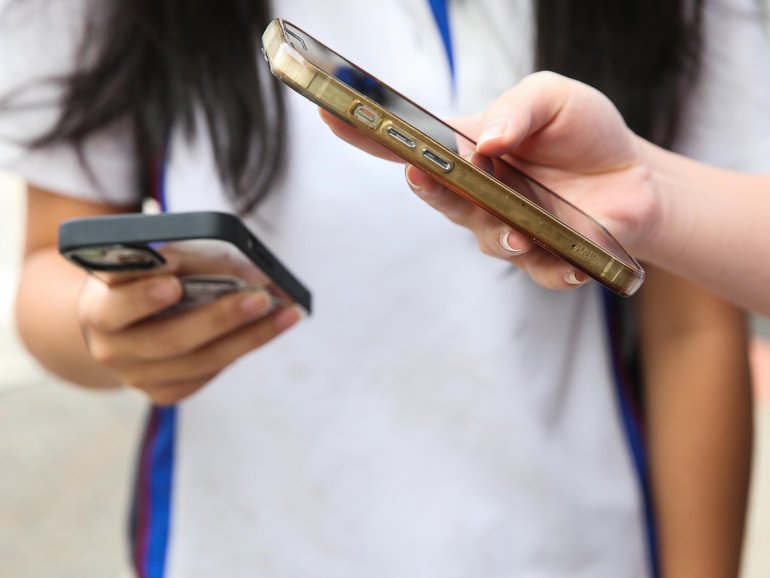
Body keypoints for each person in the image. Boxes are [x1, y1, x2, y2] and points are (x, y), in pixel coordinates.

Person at [0, 1, 759, 577]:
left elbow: (692, 325)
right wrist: (109, 329)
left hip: (566, 543)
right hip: (237, 542)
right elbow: (49, 269)